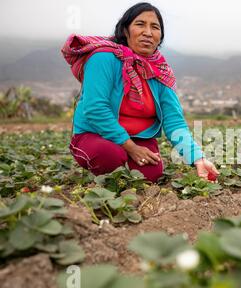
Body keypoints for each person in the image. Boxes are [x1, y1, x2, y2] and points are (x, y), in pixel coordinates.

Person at [61, 2, 219, 183]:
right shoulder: (103, 58)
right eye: (140, 24)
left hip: (139, 137)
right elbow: (95, 107)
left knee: (150, 174)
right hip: (95, 134)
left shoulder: (161, 71)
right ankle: (105, 174)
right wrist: (130, 148)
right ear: (125, 30)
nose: (148, 32)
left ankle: (124, 165)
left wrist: (197, 158)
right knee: (109, 156)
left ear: (160, 37)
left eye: (155, 27)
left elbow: (174, 121)